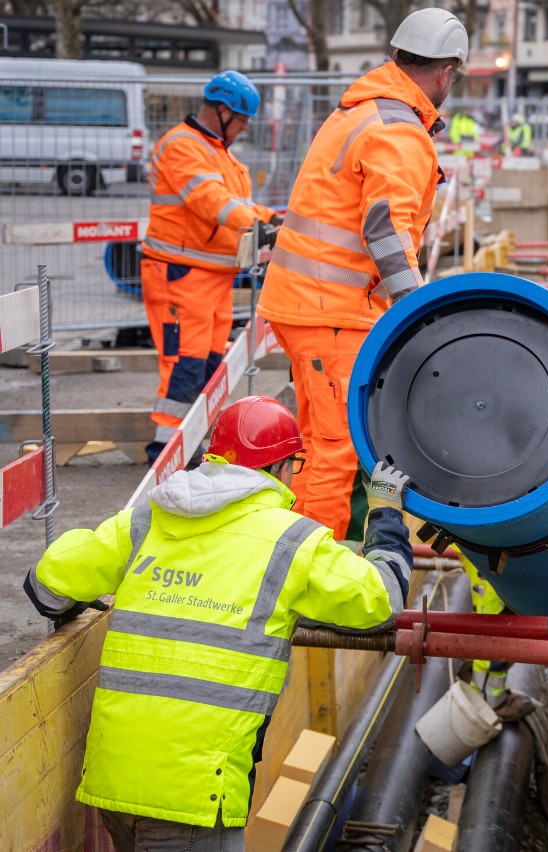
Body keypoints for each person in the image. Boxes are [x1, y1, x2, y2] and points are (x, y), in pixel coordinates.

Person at [23, 395, 413, 851]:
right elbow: (383, 600)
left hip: (112, 785)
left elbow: (46, 586)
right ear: (282, 468)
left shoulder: (148, 518)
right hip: (193, 802)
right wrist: (385, 512)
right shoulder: (291, 541)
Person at [256, 8, 466, 541]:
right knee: (337, 449)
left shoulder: (362, 112)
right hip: (332, 311)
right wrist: (414, 313)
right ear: (445, 72)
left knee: (315, 441)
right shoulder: (398, 131)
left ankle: (295, 551)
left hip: (312, 306)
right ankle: (308, 586)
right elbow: (386, 232)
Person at [141, 70, 280, 464]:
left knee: (207, 367)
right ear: (221, 111)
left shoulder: (218, 151)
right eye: (240, 121)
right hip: (180, 276)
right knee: (183, 364)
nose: (243, 129)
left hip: (210, 279)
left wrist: (274, 218)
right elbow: (212, 201)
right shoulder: (184, 147)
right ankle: (167, 452)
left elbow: (238, 204)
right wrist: (262, 226)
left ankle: (190, 444)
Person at [458, 553, 539, 721]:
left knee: (501, 628)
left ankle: (490, 692)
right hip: (488, 556)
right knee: (495, 635)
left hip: (489, 551)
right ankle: (489, 701)